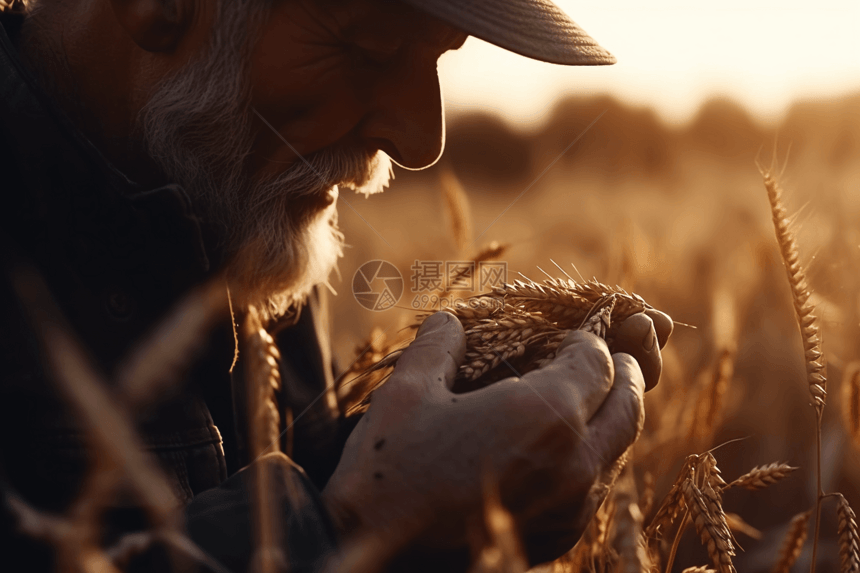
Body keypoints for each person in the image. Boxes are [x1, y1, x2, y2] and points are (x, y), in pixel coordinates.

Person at [0, 0, 673, 571]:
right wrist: (362, 523)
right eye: (371, 48)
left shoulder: (243, 211)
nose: (421, 140)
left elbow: (289, 483)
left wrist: (464, 442)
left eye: (439, 57)